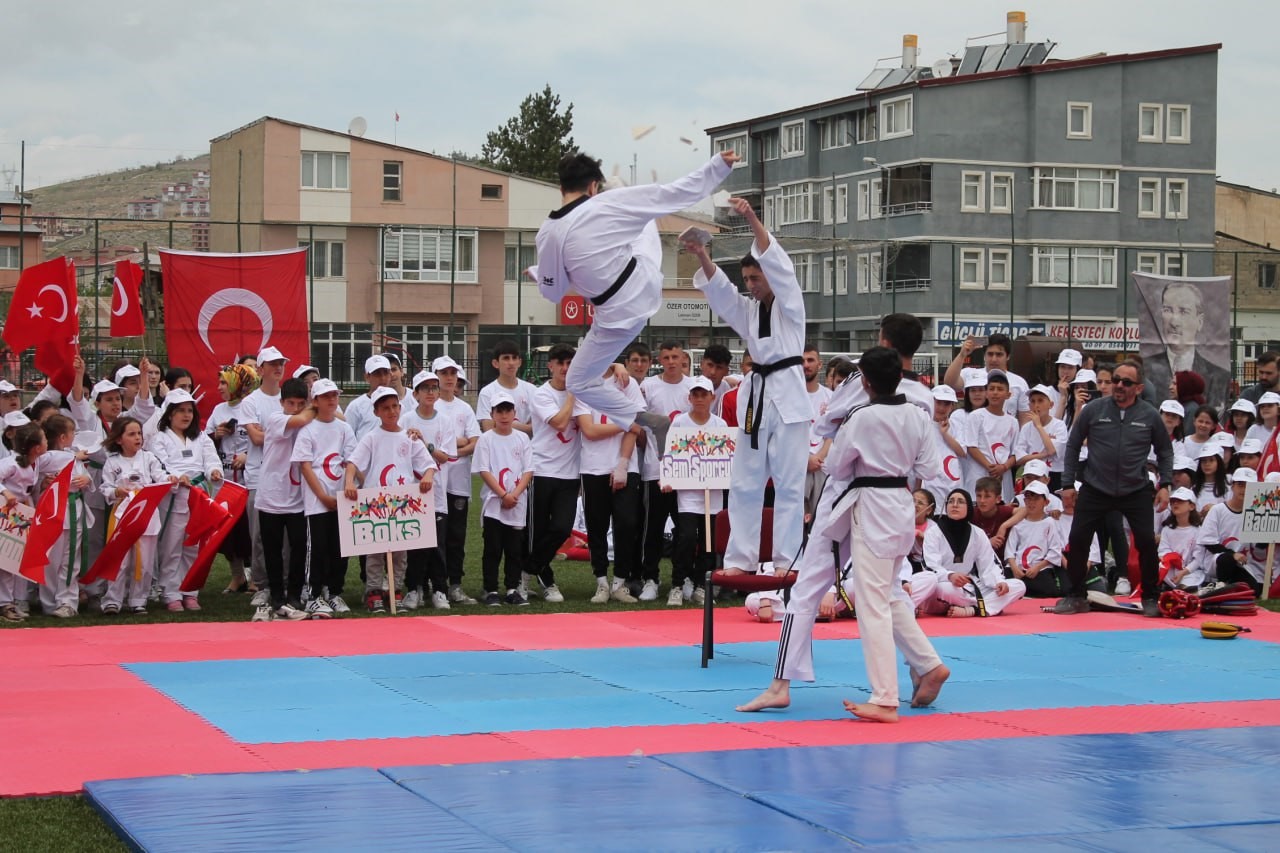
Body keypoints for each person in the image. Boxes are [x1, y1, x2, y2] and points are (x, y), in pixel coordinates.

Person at [737, 345, 950, 721]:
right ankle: (927, 662)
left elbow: (834, 465)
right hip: (901, 503)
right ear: (901, 372)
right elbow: (930, 469)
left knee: (866, 603)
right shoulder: (919, 411)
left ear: (864, 381)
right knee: (885, 593)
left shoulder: (860, 416)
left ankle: (885, 697)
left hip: (864, 503)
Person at [531, 149, 737, 431]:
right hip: (642, 280)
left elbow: (553, 293)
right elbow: (670, 194)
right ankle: (648, 419)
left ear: (561, 188)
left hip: (614, 318)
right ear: (593, 187)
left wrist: (540, 274)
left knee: (578, 382)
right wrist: (717, 168)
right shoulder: (604, 204)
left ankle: (636, 416)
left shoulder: (547, 233)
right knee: (644, 214)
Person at [686, 198, 809, 579]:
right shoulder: (750, 312)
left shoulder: (791, 306)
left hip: (787, 390)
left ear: (770, 275)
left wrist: (752, 218)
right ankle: (741, 556)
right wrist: (702, 254)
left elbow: (779, 266)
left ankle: (788, 560)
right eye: (747, 280)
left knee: (789, 483)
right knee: (745, 480)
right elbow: (723, 296)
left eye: (755, 279)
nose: (750, 286)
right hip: (757, 393)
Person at [1055, 360, 1173, 618]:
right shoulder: (1093, 410)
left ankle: (1150, 596)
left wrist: (1165, 484)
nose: (1118, 385)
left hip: (1135, 489)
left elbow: (1165, 450)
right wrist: (1067, 484)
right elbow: (1073, 444)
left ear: (1139, 388)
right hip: (1096, 486)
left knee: (1146, 541)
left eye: (1126, 382)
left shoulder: (1150, 415)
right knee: (1077, 540)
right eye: (1115, 379)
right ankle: (1075, 595)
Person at [343, 386, 434, 614]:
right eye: (385, 408)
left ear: (400, 408)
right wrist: (349, 482)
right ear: (376, 412)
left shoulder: (409, 437)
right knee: (375, 552)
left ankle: (395, 590)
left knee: (400, 553)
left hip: (402, 503)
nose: (391, 411)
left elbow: (428, 463)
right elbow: (354, 462)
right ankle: (373, 591)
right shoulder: (371, 438)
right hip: (376, 502)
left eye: (394, 406)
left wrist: (427, 477)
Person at [145, 390, 223, 612]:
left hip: (198, 495)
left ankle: (190, 591)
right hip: (174, 495)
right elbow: (160, 465)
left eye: (189, 410)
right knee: (171, 546)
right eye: (180, 411)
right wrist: (176, 478)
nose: (186, 415)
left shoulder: (200, 437)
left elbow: (211, 459)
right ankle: (170, 592)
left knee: (193, 546)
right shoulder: (159, 439)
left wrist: (214, 471)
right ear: (170, 414)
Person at [254, 378, 318, 622]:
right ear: (281, 403)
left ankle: (294, 595)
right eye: (290, 403)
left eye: (300, 403)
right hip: (272, 495)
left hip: (297, 498)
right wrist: (314, 404)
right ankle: (276, 595)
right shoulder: (276, 419)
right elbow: (300, 419)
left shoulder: (309, 422)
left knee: (299, 548)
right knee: (273, 551)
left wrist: (320, 403)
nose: (296, 407)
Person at [526, 344, 586, 605]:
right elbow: (560, 422)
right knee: (537, 530)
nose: (565, 369)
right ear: (550, 366)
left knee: (562, 528)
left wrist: (617, 366)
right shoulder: (542, 395)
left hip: (570, 474)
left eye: (570, 363)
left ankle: (527, 568)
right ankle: (547, 581)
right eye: (560, 363)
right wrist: (573, 395)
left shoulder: (583, 392)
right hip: (541, 470)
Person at [293, 378, 356, 616]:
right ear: (315, 401)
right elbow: (306, 466)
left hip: (342, 497)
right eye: (326, 396)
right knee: (317, 547)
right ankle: (312, 593)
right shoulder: (307, 430)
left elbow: (351, 460)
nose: (332, 400)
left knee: (339, 547)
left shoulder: (344, 428)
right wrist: (322, 496)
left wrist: (348, 485)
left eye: (334, 396)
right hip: (316, 500)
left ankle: (334, 591)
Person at [99, 417, 174, 616]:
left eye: (139, 433)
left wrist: (170, 479)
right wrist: (116, 491)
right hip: (123, 514)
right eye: (131, 434)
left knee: (145, 559)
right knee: (120, 560)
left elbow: (160, 477)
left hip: (146, 515)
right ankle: (113, 600)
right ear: (119, 439)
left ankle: (138, 599)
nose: (137, 438)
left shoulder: (148, 458)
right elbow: (105, 487)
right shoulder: (112, 462)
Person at [578, 375, 642, 605]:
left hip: (625, 465)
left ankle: (620, 582)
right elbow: (590, 430)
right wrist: (625, 423)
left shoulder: (627, 382)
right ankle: (601, 582)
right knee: (597, 526)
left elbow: (635, 427)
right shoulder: (582, 383)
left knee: (626, 523)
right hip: (594, 466)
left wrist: (623, 463)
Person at [664, 377, 727, 607]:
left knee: (709, 541)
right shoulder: (680, 423)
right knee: (687, 538)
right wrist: (669, 478)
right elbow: (671, 453)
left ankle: (702, 585)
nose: (700, 399)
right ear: (689, 398)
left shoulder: (720, 425)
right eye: (696, 395)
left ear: (712, 397)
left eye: (704, 395)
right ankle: (678, 585)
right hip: (688, 494)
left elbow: (727, 455)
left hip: (713, 494)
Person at [399, 370, 457, 610]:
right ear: (416, 394)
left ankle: (440, 589)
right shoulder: (405, 420)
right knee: (414, 545)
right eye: (426, 389)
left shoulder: (444, 421)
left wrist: (426, 444)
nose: (431, 392)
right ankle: (414, 589)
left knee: (437, 545)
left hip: (436, 491)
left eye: (434, 388)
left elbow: (446, 456)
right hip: (412, 493)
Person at [639, 341, 692, 603]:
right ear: (659, 359)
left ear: (683, 358)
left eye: (675, 357)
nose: (671, 361)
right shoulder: (649, 386)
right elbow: (636, 416)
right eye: (666, 357)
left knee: (686, 529)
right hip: (654, 469)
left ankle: (685, 580)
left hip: (686, 472)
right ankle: (651, 578)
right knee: (653, 528)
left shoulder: (693, 387)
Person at [923, 489, 1027, 617]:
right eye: (951, 501)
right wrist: (950, 576)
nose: (954, 505)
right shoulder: (933, 533)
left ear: (969, 508)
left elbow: (989, 565)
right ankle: (987, 606)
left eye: (960, 502)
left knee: (1018, 585)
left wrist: (999, 581)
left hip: (969, 586)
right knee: (945, 589)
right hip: (945, 587)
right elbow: (929, 567)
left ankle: (973, 610)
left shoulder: (977, 533)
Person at [472, 392, 533, 606]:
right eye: (500, 410)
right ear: (492, 413)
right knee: (493, 548)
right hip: (494, 504)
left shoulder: (522, 438)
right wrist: (502, 494)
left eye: (508, 410)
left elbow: (528, 470)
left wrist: (514, 495)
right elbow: (484, 470)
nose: (504, 415)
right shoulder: (486, 439)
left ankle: (512, 588)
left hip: (517, 503)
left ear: (515, 413)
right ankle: (490, 589)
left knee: (514, 549)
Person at [33, 414, 95, 618]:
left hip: (74, 509)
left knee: (71, 561)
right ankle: (50, 602)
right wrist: (43, 482)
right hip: (54, 512)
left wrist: (86, 480)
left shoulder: (72, 455)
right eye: (72, 433)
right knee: (51, 560)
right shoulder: (49, 457)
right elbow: (37, 475)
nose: (74, 436)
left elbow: (85, 476)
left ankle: (67, 601)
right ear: (62, 437)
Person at [433, 355, 481, 605]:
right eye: (444, 373)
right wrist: (457, 443)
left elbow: (475, 441)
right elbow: (427, 445)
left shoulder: (464, 408)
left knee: (456, 536)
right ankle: (433, 584)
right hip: (433, 483)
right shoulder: (430, 406)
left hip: (459, 483)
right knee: (434, 536)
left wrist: (451, 450)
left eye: (453, 373)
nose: (449, 378)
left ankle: (455, 585)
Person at [241, 346, 288, 606]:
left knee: (287, 538)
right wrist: (285, 431)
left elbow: (265, 435)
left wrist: (272, 433)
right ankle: (262, 584)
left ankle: (284, 583)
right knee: (259, 535)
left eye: (280, 363)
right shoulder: (251, 402)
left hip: (287, 477)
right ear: (260, 369)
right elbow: (256, 438)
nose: (278, 367)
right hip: (259, 476)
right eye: (272, 364)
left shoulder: (289, 398)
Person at [206, 363, 257, 594]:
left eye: (224, 382)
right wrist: (215, 435)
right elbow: (205, 442)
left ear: (239, 383)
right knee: (228, 533)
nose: (219, 387)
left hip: (250, 480)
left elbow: (267, 438)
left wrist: (248, 455)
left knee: (252, 531)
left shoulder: (253, 407)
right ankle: (237, 576)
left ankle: (256, 577)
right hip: (225, 480)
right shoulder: (218, 410)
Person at [1144, 281, 1231, 411]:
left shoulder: (1217, 375)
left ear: (1199, 321)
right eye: (1168, 310)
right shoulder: (1145, 369)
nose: (1174, 322)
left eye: (1183, 312)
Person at [0, 423, 45, 622]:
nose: (47, 442)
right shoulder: (11, 463)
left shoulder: (35, 463)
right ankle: (4, 604)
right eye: (44, 439)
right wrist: (5, 492)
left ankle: (10, 602)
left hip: (20, 515)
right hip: (4, 512)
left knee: (13, 560)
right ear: (36, 447)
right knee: (5, 561)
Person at [1198, 467, 1265, 595]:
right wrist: (1232, 554)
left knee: (1253, 590)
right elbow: (1209, 542)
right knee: (1226, 559)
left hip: (1241, 563)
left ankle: (1225, 588)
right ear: (1233, 486)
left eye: (1249, 486)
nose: (1244, 490)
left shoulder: (1255, 513)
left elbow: (1259, 547)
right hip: (1217, 560)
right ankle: (1219, 586)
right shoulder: (1218, 510)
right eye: (1240, 485)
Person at [1002, 481, 1065, 598]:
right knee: (1005, 585)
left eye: (1036, 499)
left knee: (1048, 590)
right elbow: (1010, 550)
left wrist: (1038, 567)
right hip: (1017, 569)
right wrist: (1015, 568)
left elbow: (1054, 550)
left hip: (1039, 569)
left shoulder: (1050, 523)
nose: (1031, 503)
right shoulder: (1018, 524)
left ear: (1046, 502)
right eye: (1028, 499)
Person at [966, 370, 1019, 502]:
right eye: (991, 389)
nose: (995, 392)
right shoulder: (976, 416)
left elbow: (1015, 452)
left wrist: (1003, 467)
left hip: (1003, 478)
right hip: (979, 475)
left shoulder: (1013, 421)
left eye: (1000, 389)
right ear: (986, 393)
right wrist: (990, 468)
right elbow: (971, 447)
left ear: (1008, 394)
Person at [476, 340, 536, 436]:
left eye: (514, 358)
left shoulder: (532, 390)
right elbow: (488, 428)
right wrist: (522, 426)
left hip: (526, 447)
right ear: (495, 363)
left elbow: (538, 427)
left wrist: (501, 424)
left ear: (519, 362)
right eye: (506, 358)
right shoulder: (487, 392)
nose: (511, 362)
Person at [1014, 384, 1068, 491]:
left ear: (1051, 405)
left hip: (1054, 472)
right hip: (1032, 473)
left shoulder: (1059, 425)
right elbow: (1019, 458)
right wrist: (1043, 454)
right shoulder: (1026, 428)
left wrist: (1039, 426)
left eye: (1040, 401)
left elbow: (1052, 451)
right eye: (1032, 401)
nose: (1036, 405)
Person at [1158, 487, 1204, 591]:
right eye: (1173, 501)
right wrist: (1171, 559)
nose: (1175, 504)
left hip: (1190, 572)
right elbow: (1162, 551)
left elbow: (1198, 559)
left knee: (1188, 585)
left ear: (1191, 506)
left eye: (1180, 501)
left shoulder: (1198, 531)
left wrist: (1183, 572)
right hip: (1170, 569)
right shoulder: (1167, 529)